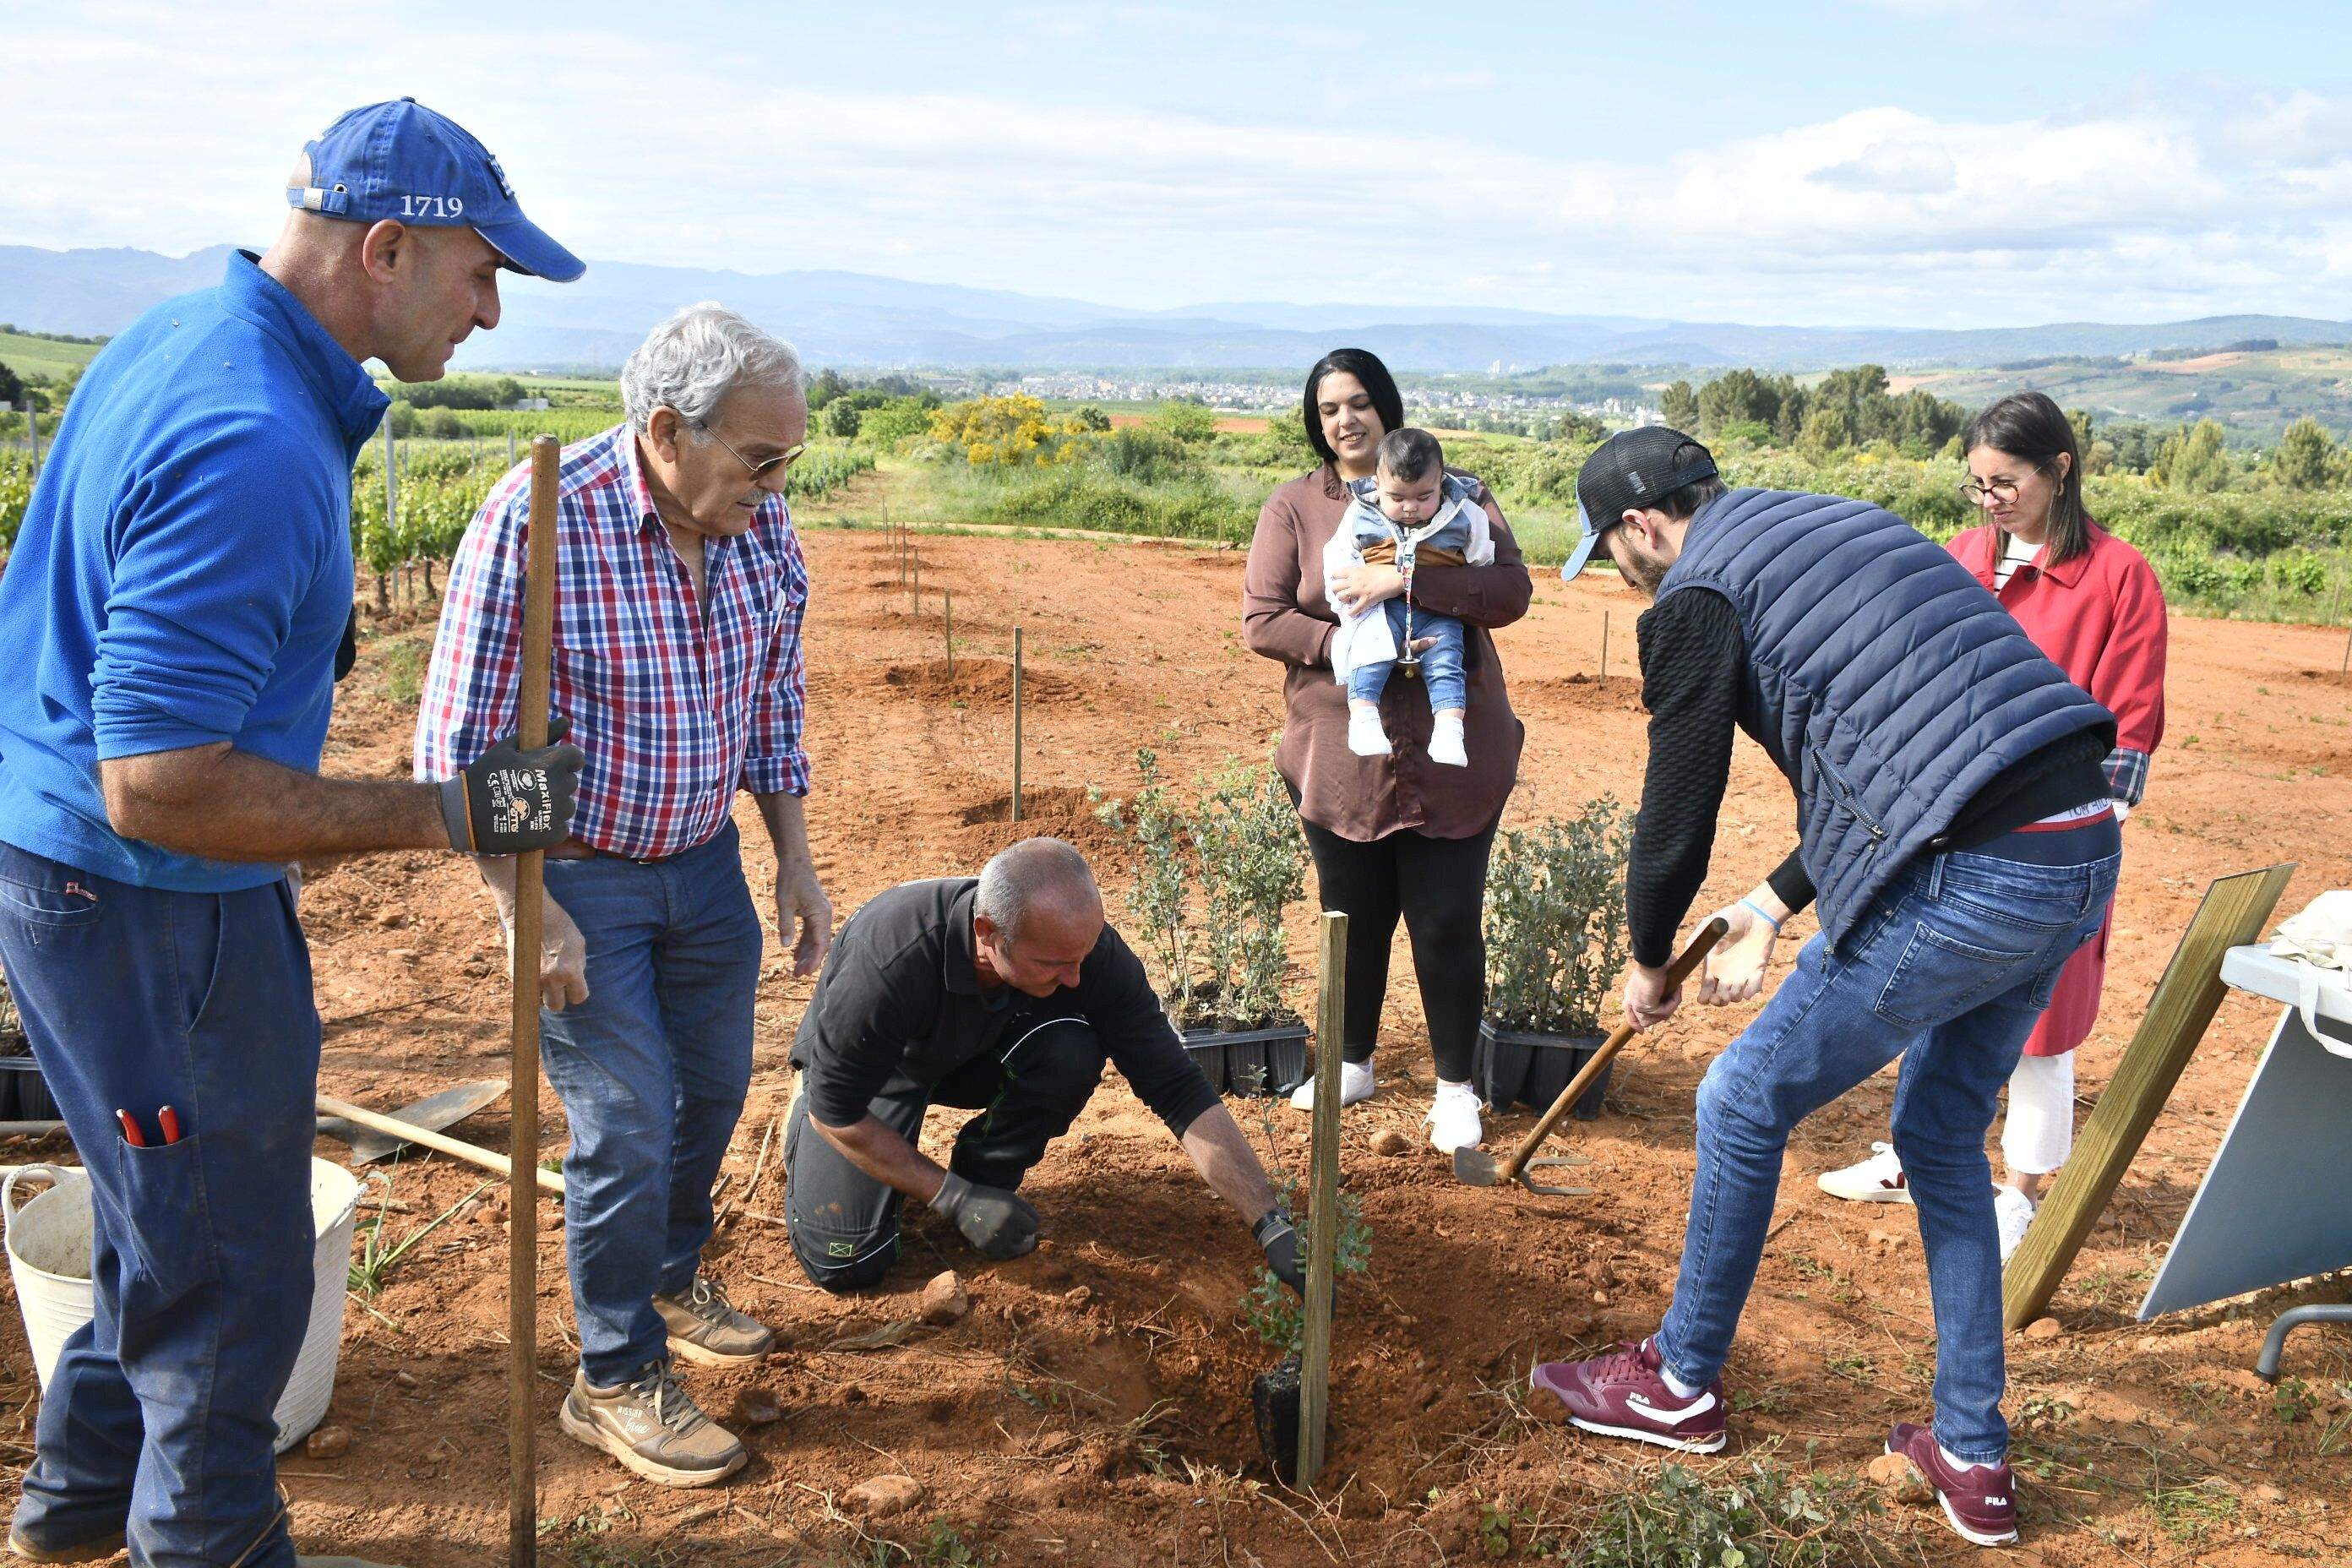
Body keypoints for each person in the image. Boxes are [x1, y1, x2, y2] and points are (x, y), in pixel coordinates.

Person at [0, 100, 583, 1568]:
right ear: (383, 249)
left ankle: (71, 1517)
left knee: (159, 1216)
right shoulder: (251, 437)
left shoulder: (186, 336)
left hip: (82, 875)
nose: (493, 309)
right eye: (476, 272)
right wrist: (446, 813)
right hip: (145, 894)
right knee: (230, 1279)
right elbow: (160, 781)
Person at [1529, 427, 2121, 1550]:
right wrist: (1771, 901)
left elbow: (1677, 806)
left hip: (1979, 869)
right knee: (1941, 1135)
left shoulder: (1695, 597)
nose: (1620, 574)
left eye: (1608, 552)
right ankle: (1973, 1453)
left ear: (1639, 524)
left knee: (1740, 1099)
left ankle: (1680, 1385)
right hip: (2076, 844)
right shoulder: (1834, 522)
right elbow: (1919, 755)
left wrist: (1647, 953)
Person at [416, 302, 832, 1490]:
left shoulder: (758, 525)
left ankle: (666, 1268)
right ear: (665, 429)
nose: (777, 480)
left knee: (708, 1097)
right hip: (579, 879)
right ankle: (612, 1376)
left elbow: (771, 705)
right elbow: (459, 744)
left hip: (703, 868)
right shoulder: (540, 518)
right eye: (761, 457)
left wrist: (791, 856)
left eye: (787, 459)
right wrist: (520, 901)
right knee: (627, 1121)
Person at [1818, 393, 2166, 1259]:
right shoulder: (1961, 558)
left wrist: (2077, 829)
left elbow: (2127, 721)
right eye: (1977, 485)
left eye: (2006, 482)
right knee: (1930, 990)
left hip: (2055, 837)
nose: (1990, 501)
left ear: (2060, 470)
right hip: (1949, 819)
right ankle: (1912, 1152)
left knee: (2039, 1021)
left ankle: (2020, 1191)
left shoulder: (2119, 577)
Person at [780, 839, 1309, 1304]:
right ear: (986, 933)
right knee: (847, 1264)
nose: (1077, 978)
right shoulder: (891, 956)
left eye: (1082, 956)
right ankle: (812, 1094)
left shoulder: (1084, 953)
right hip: (880, 1071)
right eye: (1054, 965)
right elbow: (839, 1112)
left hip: (978, 1055)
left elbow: (1178, 1088)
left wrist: (1270, 1223)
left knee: (1071, 1052)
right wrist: (950, 1198)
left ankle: (985, 1179)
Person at [1242, 350, 1532, 1153]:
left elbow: (1510, 592)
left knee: (1445, 919)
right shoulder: (1297, 506)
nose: (1346, 419)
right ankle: (1352, 1063)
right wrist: (1343, 645)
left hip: (1452, 748)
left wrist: (1406, 586)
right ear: (1317, 421)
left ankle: (1456, 1089)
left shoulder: (1459, 492)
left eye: (1361, 402)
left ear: (1387, 407)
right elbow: (1263, 618)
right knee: (1351, 916)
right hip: (1342, 746)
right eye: (1330, 407)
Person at [1329, 428, 1494, 767]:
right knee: (1369, 655)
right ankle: (1363, 720)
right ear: (1376, 484)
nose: (1409, 507)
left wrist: (1452, 579)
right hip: (1379, 609)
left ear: (1441, 482)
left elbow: (1482, 560)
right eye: (1398, 497)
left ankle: (1449, 729)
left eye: (1423, 496)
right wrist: (1346, 607)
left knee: (1447, 656)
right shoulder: (1360, 514)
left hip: (1438, 609)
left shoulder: (1464, 513)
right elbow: (1337, 557)